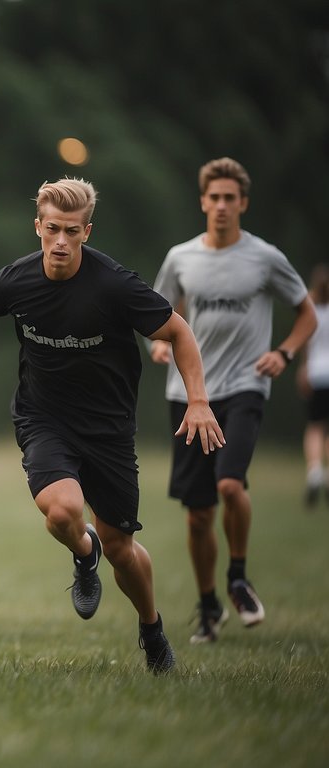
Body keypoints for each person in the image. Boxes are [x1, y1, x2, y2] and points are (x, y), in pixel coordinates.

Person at [0, 177, 223, 674]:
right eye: (51, 229)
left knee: (121, 548)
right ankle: (83, 552)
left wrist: (198, 400)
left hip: (109, 429)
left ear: (86, 232)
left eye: (71, 232)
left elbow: (179, 332)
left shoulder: (114, 285)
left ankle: (152, 628)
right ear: (38, 226)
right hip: (43, 417)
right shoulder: (18, 278)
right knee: (62, 511)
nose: (60, 241)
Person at [150, 157, 317, 643]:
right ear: (203, 201)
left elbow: (307, 313)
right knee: (199, 512)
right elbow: (157, 315)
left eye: (230, 198)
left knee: (229, 486)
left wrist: (285, 353)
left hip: (245, 386)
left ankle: (238, 577)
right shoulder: (181, 258)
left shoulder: (264, 258)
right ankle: (208, 607)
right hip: (187, 393)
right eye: (214, 197)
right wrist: (160, 343)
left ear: (243, 203)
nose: (221, 206)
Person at [299, 264, 329, 510]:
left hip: (318, 374)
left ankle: (315, 470)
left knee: (315, 427)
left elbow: (306, 341)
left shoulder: (311, 309)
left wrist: (304, 368)